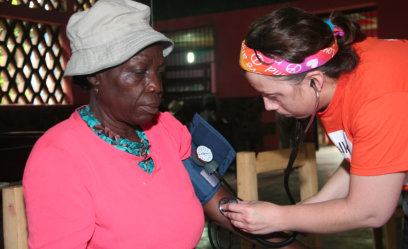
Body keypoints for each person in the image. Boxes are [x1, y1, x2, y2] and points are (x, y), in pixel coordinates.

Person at [22, 0, 307, 248]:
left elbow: (223, 206)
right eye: (138, 72)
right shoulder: (59, 158)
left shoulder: (166, 130)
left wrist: (287, 244)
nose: (156, 86)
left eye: (159, 72)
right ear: (95, 76)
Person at [222, 6, 408, 249]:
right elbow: (364, 160)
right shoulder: (338, 69)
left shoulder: (377, 99)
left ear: (314, 81)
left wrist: (278, 217)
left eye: (273, 95)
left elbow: (371, 210)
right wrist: (304, 211)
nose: (268, 106)